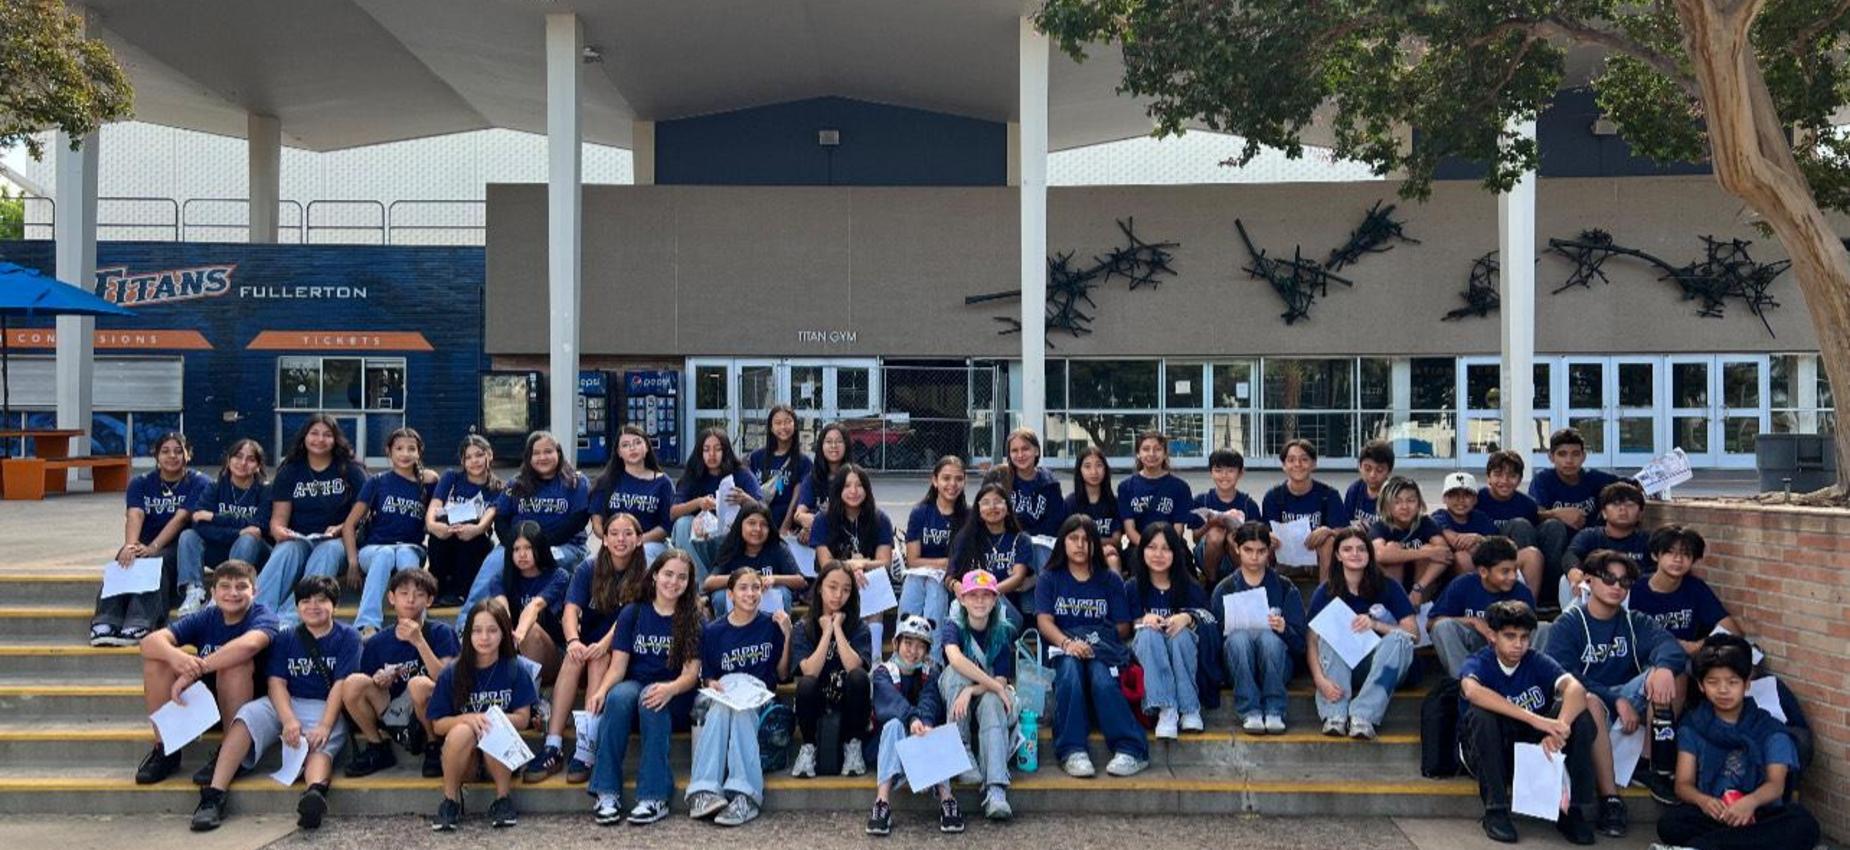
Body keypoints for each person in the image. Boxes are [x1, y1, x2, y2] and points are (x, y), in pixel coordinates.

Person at [191, 575, 361, 832]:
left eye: (321, 600)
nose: (313, 606)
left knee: (319, 745)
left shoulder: (348, 636)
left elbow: (340, 684)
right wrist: (289, 719)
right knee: (247, 716)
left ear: (334, 605)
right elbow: (276, 683)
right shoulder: (287, 637)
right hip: (286, 701)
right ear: (297, 606)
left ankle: (314, 793)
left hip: (324, 704)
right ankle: (213, 796)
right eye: (305, 601)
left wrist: (325, 725)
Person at [1544, 549, 1687, 831]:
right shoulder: (1569, 622)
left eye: (1624, 582)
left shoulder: (1635, 621)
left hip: (1627, 699)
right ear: (1589, 581)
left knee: (1673, 673)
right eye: (1608, 578)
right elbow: (1562, 673)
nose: (1616, 587)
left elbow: (1670, 646)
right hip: (1585, 706)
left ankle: (1651, 764)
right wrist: (1615, 698)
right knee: (1592, 700)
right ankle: (1610, 799)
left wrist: (1664, 668)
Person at [1656, 635, 1821, 850]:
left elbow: (1775, 785)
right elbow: (1683, 784)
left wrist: (1749, 803)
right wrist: (1704, 801)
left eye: (1732, 682)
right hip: (1716, 811)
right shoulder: (1693, 726)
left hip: (1759, 811)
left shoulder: (1769, 729)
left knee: (1802, 824)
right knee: (1671, 824)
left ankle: (1701, 847)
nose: (1723, 690)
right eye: (1713, 682)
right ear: (1701, 685)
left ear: (1746, 684)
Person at [1458, 600, 1599, 845]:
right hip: (1492, 750)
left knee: (1582, 717)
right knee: (1482, 714)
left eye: (1524, 637)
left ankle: (1572, 811)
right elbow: (1472, 692)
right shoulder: (1479, 662)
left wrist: (1559, 728)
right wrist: (1538, 720)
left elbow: (1575, 689)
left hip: (1535, 747)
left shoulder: (1535, 660)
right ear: (1492, 636)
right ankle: (1496, 810)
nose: (1518, 644)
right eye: (1510, 636)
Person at [528, 512, 647, 784]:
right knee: (575, 657)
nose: (620, 539)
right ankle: (553, 745)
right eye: (614, 533)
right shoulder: (588, 568)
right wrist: (573, 641)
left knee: (598, 658)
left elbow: (628, 618)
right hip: (589, 645)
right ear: (603, 539)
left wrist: (603, 644)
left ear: (640, 539)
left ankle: (586, 745)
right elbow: (570, 611)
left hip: (625, 653)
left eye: (628, 533)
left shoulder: (647, 572)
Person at [134, 559, 277, 785]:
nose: (233, 593)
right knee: (157, 661)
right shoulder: (207, 616)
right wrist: (177, 657)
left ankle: (231, 753)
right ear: (213, 592)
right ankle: (166, 749)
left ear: (255, 592)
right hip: (210, 706)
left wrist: (194, 670)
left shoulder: (263, 615)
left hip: (249, 709)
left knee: (234, 665)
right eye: (225, 587)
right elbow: (149, 642)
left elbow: (249, 645)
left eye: (241, 587)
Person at [587, 549, 703, 826]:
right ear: (654, 576)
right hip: (637, 684)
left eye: (682, 577)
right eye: (668, 574)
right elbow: (618, 666)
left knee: (651, 700)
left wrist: (670, 688)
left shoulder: (692, 618)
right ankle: (606, 792)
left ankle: (654, 797)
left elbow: (691, 674)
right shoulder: (633, 612)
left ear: (689, 583)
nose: (674, 582)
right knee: (618, 697)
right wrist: (601, 691)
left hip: (676, 693)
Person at [1035, 515, 1149, 778]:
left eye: (1086, 540)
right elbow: (1044, 621)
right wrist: (1068, 642)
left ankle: (1131, 749)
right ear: (1062, 542)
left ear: (1095, 544)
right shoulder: (1049, 578)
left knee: (1101, 679)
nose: (1079, 545)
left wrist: (1090, 640)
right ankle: (1072, 751)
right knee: (1070, 674)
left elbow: (1122, 627)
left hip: (1102, 649)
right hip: (1063, 648)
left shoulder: (1109, 579)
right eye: (1073, 538)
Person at [686, 569, 793, 827]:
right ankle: (704, 791)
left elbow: (782, 673)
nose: (751, 593)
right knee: (725, 709)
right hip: (726, 693)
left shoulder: (771, 625)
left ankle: (745, 796)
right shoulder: (713, 631)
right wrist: (713, 684)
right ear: (730, 594)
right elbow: (709, 677)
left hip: (759, 695)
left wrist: (787, 634)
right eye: (743, 588)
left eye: (756, 588)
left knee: (742, 710)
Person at [456, 431, 590, 631]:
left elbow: (578, 520)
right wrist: (513, 545)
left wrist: (539, 545)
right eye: (536, 453)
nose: (542, 457)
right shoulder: (516, 483)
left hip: (564, 545)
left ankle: (550, 625)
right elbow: (501, 517)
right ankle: (465, 627)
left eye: (548, 451)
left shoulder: (575, 481)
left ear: (559, 453)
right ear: (528, 457)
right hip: (515, 543)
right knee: (492, 565)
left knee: (550, 562)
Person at [427, 599, 541, 831]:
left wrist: (492, 718)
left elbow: (523, 718)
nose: (484, 637)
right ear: (468, 634)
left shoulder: (515, 668)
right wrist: (468, 719)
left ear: (504, 634)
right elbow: (438, 724)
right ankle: (450, 801)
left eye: (492, 630)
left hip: (501, 759)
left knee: (494, 725)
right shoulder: (452, 672)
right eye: (477, 631)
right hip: (464, 759)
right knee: (461, 730)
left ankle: (502, 799)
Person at [93, 432, 212, 645]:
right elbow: (135, 514)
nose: (172, 456)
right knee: (124, 559)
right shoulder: (141, 482)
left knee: (155, 562)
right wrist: (130, 546)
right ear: (156, 455)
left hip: (178, 544)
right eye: (165, 451)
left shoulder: (199, 482)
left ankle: (141, 621)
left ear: (188, 455)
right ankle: (105, 620)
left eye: (178, 451)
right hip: (144, 542)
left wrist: (154, 547)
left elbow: (181, 517)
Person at [342, 568, 459, 778]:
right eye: (404, 593)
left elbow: (446, 680)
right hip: (396, 714)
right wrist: (378, 679)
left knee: (418, 684)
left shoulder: (442, 633)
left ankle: (434, 746)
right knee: (353, 683)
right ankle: (377, 746)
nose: (411, 599)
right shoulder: (377, 642)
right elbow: (368, 684)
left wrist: (419, 641)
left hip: (434, 712)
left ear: (430, 600)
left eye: (419, 594)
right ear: (391, 598)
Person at [258, 416, 368, 629]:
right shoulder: (290, 470)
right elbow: (278, 520)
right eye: (314, 433)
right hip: (301, 538)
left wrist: (340, 528)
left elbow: (363, 514)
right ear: (304, 437)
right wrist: (280, 532)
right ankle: (259, 611)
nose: (320, 439)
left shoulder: (350, 469)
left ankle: (290, 618)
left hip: (338, 541)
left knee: (327, 550)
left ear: (336, 440)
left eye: (327, 435)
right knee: (286, 549)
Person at [1306, 527, 1417, 740]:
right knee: (1329, 634)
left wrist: (1375, 625)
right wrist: (1320, 680)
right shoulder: (1326, 591)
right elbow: (1311, 641)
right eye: (1347, 549)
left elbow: (1413, 633)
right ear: (1337, 555)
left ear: (1369, 554)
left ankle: (1363, 716)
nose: (1355, 554)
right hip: (1343, 669)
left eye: (1361, 549)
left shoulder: (1388, 586)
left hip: (1385, 668)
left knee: (1400, 639)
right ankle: (1335, 715)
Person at [865, 614, 964, 836]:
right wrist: (912, 719)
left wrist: (925, 723)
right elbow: (891, 703)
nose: (913, 651)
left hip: (920, 745)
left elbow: (929, 701)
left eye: (921, 646)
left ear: (927, 651)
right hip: (888, 750)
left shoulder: (930, 672)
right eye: (908, 643)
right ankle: (882, 802)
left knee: (934, 728)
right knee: (893, 724)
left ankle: (946, 798)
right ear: (896, 643)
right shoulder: (882, 672)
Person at [1211, 522, 1307, 735]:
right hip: (1238, 662)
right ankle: (1250, 710)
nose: (1254, 557)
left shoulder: (1284, 587)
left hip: (1276, 662)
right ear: (1237, 548)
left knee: (1268, 638)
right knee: (1238, 638)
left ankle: (1275, 709)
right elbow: (1215, 640)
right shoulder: (1224, 589)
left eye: (1261, 551)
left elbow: (1301, 643)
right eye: (1248, 550)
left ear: (1269, 551)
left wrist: (1285, 629)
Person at [938, 570, 1017, 820]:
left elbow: (1002, 681)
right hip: (955, 697)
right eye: (973, 595)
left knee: (994, 700)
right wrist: (991, 685)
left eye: (986, 596)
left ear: (995, 600)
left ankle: (996, 789)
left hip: (983, 700)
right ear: (962, 599)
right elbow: (956, 659)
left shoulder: (1002, 631)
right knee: (954, 673)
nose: (980, 601)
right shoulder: (954, 625)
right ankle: (961, 750)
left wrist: (975, 689)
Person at [342, 427, 436, 637]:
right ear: (389, 451)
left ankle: (415, 621)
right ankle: (367, 625)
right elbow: (349, 525)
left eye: (411, 449)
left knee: (403, 553)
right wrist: (352, 562)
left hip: (410, 549)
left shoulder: (427, 483)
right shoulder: (377, 482)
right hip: (375, 550)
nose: (405, 454)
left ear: (419, 452)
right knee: (385, 554)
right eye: (399, 448)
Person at [1126, 521, 1216, 738]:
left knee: (1180, 636)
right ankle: (1166, 709)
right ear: (1142, 550)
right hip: (1148, 653)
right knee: (1148, 634)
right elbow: (1122, 627)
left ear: (1176, 553)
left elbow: (1211, 621)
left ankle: (1189, 708)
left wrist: (1188, 618)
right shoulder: (1132, 587)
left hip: (1183, 652)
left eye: (1166, 548)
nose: (1158, 554)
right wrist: (1142, 620)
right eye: (1152, 547)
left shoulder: (1190, 586)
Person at [788, 560, 874, 779]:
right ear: (819, 587)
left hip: (849, 703)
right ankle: (808, 747)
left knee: (859, 678)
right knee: (806, 684)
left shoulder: (859, 627)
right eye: (832, 587)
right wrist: (826, 632)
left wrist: (837, 628)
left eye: (846, 590)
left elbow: (854, 666)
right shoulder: (803, 627)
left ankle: (853, 746)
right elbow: (809, 671)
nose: (838, 595)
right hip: (817, 703)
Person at [175, 439, 273, 616]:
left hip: (253, 555)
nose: (243, 463)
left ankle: (223, 594)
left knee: (249, 539)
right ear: (229, 461)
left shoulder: (265, 491)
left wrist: (214, 517)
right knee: (188, 535)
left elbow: (261, 527)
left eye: (250, 459)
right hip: (220, 550)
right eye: (238, 456)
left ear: (258, 466)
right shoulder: (215, 487)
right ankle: (195, 592)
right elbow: (198, 524)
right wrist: (238, 531)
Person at [1430, 536, 1541, 679]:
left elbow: (1529, 630)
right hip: (1475, 646)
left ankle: (1525, 680)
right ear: (1483, 572)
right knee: (1443, 626)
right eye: (1505, 571)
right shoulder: (1463, 585)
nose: (1513, 577)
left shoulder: (1521, 592)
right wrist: (1473, 621)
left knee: (1543, 628)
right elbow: (1432, 623)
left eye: (1515, 570)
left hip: (1510, 648)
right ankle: (1465, 682)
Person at [1629, 526, 1742, 660]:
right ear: (1655, 555)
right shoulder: (1635, 590)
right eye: (1670, 553)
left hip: (1690, 658)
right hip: (1650, 660)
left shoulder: (1695, 587)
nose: (1678, 559)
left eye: (1686, 554)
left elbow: (1731, 629)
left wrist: (1698, 645)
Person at [1531, 428, 1621, 594]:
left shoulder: (1594, 478)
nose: (1569, 460)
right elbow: (1534, 513)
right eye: (1562, 454)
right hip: (1555, 544)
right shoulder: (1543, 479)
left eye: (1575, 454)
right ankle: (1551, 595)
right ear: (1551, 457)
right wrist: (1558, 513)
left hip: (1585, 544)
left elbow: (1629, 486)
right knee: (1553, 526)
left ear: (1583, 456)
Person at [671, 427, 765, 579]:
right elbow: (673, 512)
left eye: (717, 449)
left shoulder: (742, 473)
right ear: (700, 453)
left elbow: (764, 509)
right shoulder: (693, 475)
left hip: (731, 537)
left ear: (726, 451)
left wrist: (746, 500)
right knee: (682, 524)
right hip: (701, 538)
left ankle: (716, 582)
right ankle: (700, 586)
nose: (712, 455)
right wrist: (698, 503)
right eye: (706, 450)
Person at [424, 435, 501, 608]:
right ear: (463, 461)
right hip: (447, 536)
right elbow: (435, 506)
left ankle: (460, 592)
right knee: (439, 534)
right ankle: (437, 588)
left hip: (474, 541)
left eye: (479, 455)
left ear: (489, 455)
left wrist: (476, 529)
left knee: (473, 537)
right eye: (469, 457)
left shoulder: (497, 488)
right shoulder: (452, 477)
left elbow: (488, 519)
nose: (474, 461)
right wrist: (433, 525)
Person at [1435, 471, 1545, 593]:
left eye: (1467, 495)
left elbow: (1499, 544)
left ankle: (1529, 606)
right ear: (1444, 498)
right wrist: (1478, 543)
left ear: (1475, 499)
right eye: (1453, 495)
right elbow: (1456, 541)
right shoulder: (1440, 516)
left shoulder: (1480, 517)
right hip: (1455, 575)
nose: (1460, 500)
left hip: (1487, 564)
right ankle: (1476, 602)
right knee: (1462, 557)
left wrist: (1478, 539)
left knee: (1532, 554)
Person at [1261, 438, 1349, 581]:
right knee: (1261, 542)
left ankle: (1324, 594)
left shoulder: (1328, 495)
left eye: (1304, 459)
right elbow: (1264, 529)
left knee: (1329, 540)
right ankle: (1268, 590)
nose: (1297, 464)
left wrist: (1329, 530)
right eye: (1291, 460)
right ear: (1283, 465)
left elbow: (1344, 531)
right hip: (1283, 558)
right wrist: (1268, 536)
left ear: (1313, 464)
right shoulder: (1273, 496)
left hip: (1318, 559)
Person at [701, 502, 805, 617]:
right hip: (738, 602)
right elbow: (709, 583)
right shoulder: (730, 547)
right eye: (751, 523)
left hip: (767, 599)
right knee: (720, 596)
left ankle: (782, 633)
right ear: (740, 525)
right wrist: (743, 580)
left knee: (784, 592)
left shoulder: (778, 548)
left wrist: (773, 579)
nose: (757, 529)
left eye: (764, 524)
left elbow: (800, 581)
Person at [498, 521, 570, 685]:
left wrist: (520, 635)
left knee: (531, 630)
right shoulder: (503, 578)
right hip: (515, 651)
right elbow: (501, 608)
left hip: (553, 654)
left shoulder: (558, 576)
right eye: (516, 549)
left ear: (540, 548)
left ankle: (531, 698)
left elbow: (535, 606)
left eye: (528, 548)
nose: (522, 554)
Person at [949, 482, 1032, 624]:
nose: (992, 507)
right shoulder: (967, 538)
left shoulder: (1020, 539)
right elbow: (950, 575)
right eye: (986, 503)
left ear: (1007, 509)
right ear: (978, 510)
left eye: (998, 502)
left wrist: (988, 594)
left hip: (1006, 609)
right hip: (971, 605)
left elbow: (1018, 577)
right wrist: (955, 584)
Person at [901, 456, 968, 629]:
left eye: (958, 479)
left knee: (935, 587)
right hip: (920, 577)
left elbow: (963, 562)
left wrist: (946, 568)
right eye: (946, 478)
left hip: (950, 580)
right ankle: (901, 644)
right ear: (935, 480)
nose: (952, 484)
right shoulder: (920, 512)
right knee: (914, 581)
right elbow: (913, 560)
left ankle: (934, 654)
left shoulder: (968, 516)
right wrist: (942, 563)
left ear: (964, 481)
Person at [589, 425, 676, 557]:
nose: (632, 448)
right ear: (619, 452)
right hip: (614, 545)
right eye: (625, 445)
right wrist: (614, 542)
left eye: (637, 442)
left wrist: (636, 541)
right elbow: (596, 523)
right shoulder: (606, 481)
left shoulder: (663, 483)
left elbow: (666, 527)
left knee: (643, 557)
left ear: (646, 447)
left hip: (649, 544)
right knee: (590, 564)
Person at [1562, 482, 1652, 608]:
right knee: (1565, 580)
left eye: (1630, 505)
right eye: (1615, 504)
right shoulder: (1590, 536)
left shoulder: (1648, 540)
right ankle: (1575, 621)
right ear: (1604, 512)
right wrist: (1574, 571)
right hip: (1592, 596)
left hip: (1633, 597)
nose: (1622, 509)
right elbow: (1571, 554)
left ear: (1640, 514)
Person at [1367, 476, 1452, 607]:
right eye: (1397, 502)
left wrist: (1419, 587)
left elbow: (1445, 554)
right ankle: (1396, 608)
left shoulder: (1426, 523)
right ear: (1387, 505)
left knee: (1430, 549)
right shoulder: (1381, 526)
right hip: (1392, 585)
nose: (1404, 507)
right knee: (1392, 549)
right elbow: (1379, 554)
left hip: (1421, 589)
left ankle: (1420, 609)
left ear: (1419, 503)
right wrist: (1425, 553)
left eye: (1411, 501)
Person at [810, 463, 895, 590]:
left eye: (859, 485)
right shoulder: (822, 519)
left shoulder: (880, 519)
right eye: (847, 486)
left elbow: (885, 562)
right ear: (838, 489)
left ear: (867, 489)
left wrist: (862, 564)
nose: (853, 491)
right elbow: (826, 564)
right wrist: (850, 567)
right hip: (834, 579)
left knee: (871, 581)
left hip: (869, 578)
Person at [1116, 430, 1198, 547]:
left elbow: (1178, 530)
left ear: (1165, 454)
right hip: (1138, 547)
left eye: (1158, 449)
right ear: (1138, 453)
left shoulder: (1180, 487)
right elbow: (1130, 530)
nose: (1152, 454)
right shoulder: (1126, 487)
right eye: (1146, 449)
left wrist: (1163, 548)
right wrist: (1149, 548)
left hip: (1171, 546)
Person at [999, 428, 1067, 569]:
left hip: (1039, 545)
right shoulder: (1001, 479)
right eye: (1014, 451)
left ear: (1036, 451)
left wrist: (1027, 539)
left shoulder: (1049, 483)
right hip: (1008, 543)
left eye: (1025, 449)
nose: (1020, 455)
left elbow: (1055, 524)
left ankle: (1040, 584)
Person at [1193, 448, 1261, 586]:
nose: (1224, 475)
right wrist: (1211, 524)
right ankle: (1211, 583)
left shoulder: (1248, 504)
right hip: (1207, 556)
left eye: (1230, 470)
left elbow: (1257, 539)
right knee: (1216, 534)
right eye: (1218, 470)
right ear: (1211, 472)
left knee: (1232, 537)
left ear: (1240, 473)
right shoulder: (1202, 500)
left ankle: (1243, 582)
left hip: (1237, 554)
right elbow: (1195, 538)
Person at [747, 405, 812, 536]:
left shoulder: (804, 462)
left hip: (788, 529)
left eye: (788, 422)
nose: (783, 427)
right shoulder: (756, 457)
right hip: (759, 526)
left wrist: (785, 528)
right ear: (771, 428)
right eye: (778, 423)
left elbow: (798, 498)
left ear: (795, 425)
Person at [785, 422, 850, 545]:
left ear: (847, 445)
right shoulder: (812, 478)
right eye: (829, 442)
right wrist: (809, 525)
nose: (834, 446)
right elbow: (799, 515)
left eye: (839, 441)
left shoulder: (854, 477)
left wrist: (814, 527)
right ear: (821, 446)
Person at [1064, 446, 1124, 572]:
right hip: (1080, 553)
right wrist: (1099, 544)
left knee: (1112, 558)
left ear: (1105, 469)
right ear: (1079, 470)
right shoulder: (1071, 503)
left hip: (1108, 553)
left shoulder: (1114, 502)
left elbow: (1116, 540)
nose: (1094, 472)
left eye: (1099, 465)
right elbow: (1069, 539)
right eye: (1087, 466)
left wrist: (1092, 541)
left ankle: (1116, 592)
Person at [1477, 450, 1542, 553]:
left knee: (1522, 525)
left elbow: (1531, 536)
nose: (1504, 481)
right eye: (1498, 475)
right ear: (1488, 477)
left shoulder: (1528, 505)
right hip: (1484, 553)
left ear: (1520, 479)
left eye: (1512, 476)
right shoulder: (1476, 499)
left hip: (1517, 556)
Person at [1345, 439, 1395, 530]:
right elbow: (1345, 522)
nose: (1372, 475)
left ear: (1389, 471)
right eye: (1367, 469)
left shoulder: (1395, 494)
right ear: (1360, 467)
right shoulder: (1354, 490)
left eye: (1379, 470)